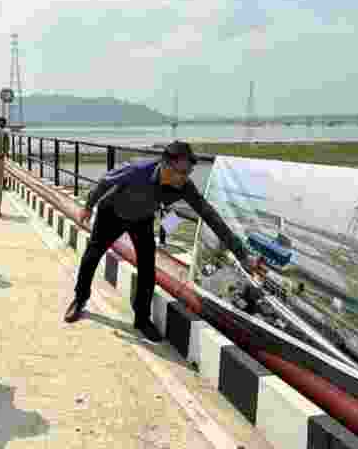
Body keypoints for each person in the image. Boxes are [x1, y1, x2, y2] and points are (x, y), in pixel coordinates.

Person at [63, 141, 256, 342]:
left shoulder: (184, 187)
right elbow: (105, 182)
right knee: (92, 256)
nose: (185, 178)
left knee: (148, 267)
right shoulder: (138, 170)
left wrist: (241, 254)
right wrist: (88, 206)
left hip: (142, 219)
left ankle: (142, 318)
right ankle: (80, 298)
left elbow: (210, 215)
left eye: (188, 172)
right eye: (181, 171)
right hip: (112, 213)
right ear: (165, 164)